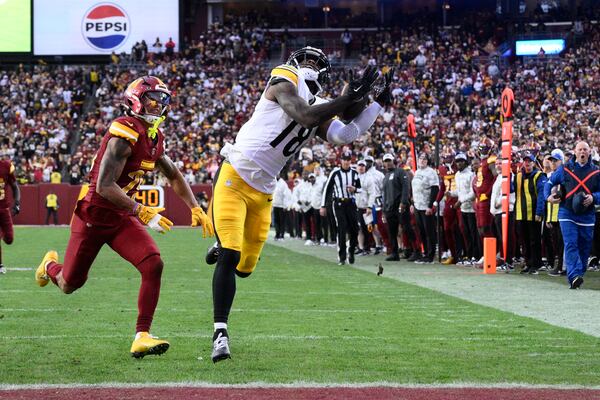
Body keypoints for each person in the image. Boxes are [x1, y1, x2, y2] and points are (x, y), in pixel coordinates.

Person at [204, 46, 387, 362]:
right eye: (305, 60)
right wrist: (346, 100)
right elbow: (303, 114)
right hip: (235, 176)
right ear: (293, 63)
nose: (309, 66)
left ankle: (223, 246)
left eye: (317, 63)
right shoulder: (283, 79)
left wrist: (377, 105)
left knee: (244, 269)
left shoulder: (318, 105)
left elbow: (345, 134)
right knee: (231, 254)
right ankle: (220, 333)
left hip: (263, 192)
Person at [34, 76, 214, 358]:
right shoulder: (124, 131)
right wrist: (141, 210)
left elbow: (173, 173)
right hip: (94, 214)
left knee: (153, 263)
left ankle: (141, 335)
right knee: (70, 284)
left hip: (119, 216)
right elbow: (104, 186)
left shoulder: (154, 137)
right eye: (152, 98)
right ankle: (50, 267)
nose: (158, 104)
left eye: (161, 99)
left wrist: (195, 206)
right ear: (136, 99)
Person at [545, 141, 600, 289]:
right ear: (575, 152)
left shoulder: (596, 171)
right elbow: (549, 184)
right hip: (567, 212)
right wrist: (548, 197)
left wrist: (593, 197)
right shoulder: (565, 169)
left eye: (585, 150)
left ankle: (578, 273)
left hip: (587, 215)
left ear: (589, 152)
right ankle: (573, 276)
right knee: (570, 243)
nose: (582, 152)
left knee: (584, 247)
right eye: (580, 149)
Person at [321, 151, 362, 265]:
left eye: (348, 160)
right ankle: (342, 257)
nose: (346, 162)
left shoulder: (354, 173)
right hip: (339, 204)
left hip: (351, 203)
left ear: (351, 161)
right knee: (341, 229)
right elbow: (327, 189)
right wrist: (323, 205)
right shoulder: (335, 172)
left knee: (355, 229)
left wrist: (355, 189)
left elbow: (360, 189)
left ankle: (351, 250)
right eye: (344, 159)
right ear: (341, 160)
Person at [515, 152, 547, 274]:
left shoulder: (539, 176)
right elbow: (512, 190)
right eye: (525, 161)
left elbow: (541, 195)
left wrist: (539, 212)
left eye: (530, 161)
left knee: (534, 240)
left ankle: (536, 264)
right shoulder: (518, 176)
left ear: (534, 163)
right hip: (521, 213)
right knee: (524, 240)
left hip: (533, 213)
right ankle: (528, 263)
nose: (527, 163)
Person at [411, 153, 440, 263]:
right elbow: (414, 188)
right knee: (422, 231)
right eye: (420, 158)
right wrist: (412, 203)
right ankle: (425, 253)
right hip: (418, 205)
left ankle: (430, 255)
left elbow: (435, 189)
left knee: (429, 231)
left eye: (424, 159)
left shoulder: (431, 172)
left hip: (426, 206)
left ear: (428, 161)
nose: (422, 160)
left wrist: (430, 206)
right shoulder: (417, 172)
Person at [381, 153, 410, 261]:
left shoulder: (401, 171)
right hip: (389, 208)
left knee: (406, 228)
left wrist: (403, 202)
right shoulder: (385, 176)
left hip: (400, 205)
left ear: (393, 161)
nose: (388, 163)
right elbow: (384, 195)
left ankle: (413, 250)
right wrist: (384, 210)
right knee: (392, 231)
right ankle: (394, 253)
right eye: (386, 161)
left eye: (389, 161)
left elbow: (406, 188)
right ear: (383, 163)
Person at [0, 157, 20, 274]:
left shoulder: (6, 166)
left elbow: (15, 186)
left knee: (9, 239)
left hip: (4, 208)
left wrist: (17, 203)